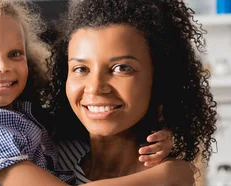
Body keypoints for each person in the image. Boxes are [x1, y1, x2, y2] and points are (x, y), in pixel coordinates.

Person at [0, 0, 187, 185]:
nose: (2, 66)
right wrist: (169, 175)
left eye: (14, 53)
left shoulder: (22, 117)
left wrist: (167, 133)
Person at [46, 0, 218, 184]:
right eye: (80, 69)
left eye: (121, 68)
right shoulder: (48, 155)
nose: (95, 87)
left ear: (160, 79)